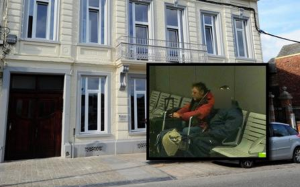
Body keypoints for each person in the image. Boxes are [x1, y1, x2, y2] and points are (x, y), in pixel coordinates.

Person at [189, 89, 243, 157]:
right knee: (191, 137)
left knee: (198, 142)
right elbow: (210, 120)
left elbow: (227, 130)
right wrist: (213, 110)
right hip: (213, 134)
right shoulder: (222, 108)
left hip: (222, 139)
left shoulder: (234, 111)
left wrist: (210, 133)